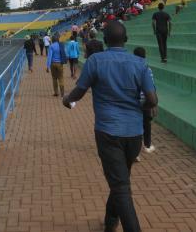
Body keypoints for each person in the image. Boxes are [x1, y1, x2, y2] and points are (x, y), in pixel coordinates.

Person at [62, 21, 157, 232]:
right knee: (120, 179)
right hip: (134, 134)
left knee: (121, 186)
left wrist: (67, 100)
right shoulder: (140, 63)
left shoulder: (96, 61)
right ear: (126, 39)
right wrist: (144, 108)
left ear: (105, 40)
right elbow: (151, 99)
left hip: (108, 132)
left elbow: (80, 90)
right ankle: (110, 220)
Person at [133, 47, 156, 155]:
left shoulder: (130, 68)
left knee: (136, 126)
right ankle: (147, 145)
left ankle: (136, 153)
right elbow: (152, 87)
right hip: (146, 101)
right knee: (147, 123)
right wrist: (154, 104)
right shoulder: (147, 69)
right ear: (145, 56)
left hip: (134, 101)